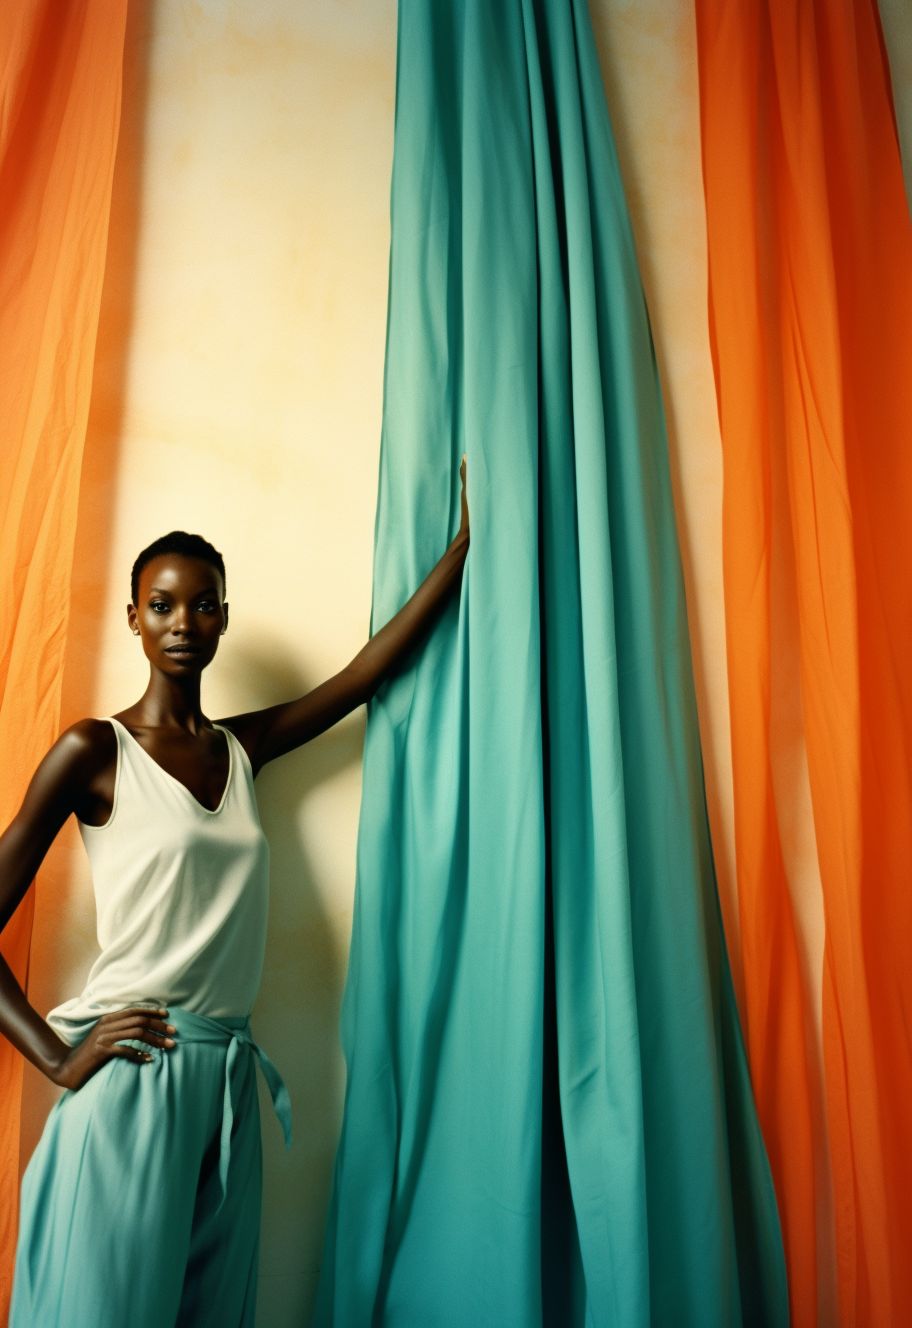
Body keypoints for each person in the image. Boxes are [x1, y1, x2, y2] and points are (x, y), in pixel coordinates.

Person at [1, 456, 469, 1326]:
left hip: (228, 1091)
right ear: (134, 618)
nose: (183, 621)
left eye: (202, 603)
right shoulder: (92, 753)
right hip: (132, 1079)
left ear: (223, 617)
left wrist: (470, 545)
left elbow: (362, 678)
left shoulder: (241, 752)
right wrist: (60, 1059)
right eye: (163, 605)